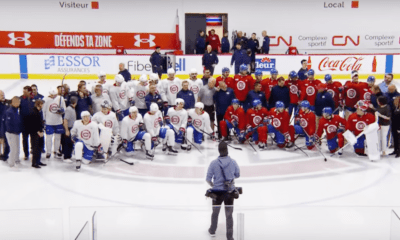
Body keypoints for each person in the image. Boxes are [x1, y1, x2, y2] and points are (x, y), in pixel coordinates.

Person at [206, 141, 240, 240]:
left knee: (215, 212)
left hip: (217, 192)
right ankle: (229, 236)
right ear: (227, 150)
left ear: (218, 151)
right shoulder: (233, 162)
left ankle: (212, 230)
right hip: (229, 192)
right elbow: (237, 175)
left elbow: (208, 179)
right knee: (229, 215)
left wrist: (214, 185)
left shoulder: (213, 163)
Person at [25, 99, 45, 168]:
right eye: (42, 104)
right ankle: (34, 163)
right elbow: (32, 124)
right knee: (35, 148)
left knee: (39, 147)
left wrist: (41, 130)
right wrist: (38, 131)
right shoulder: (33, 112)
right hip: (35, 133)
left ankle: (38, 161)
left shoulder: (39, 111)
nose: (43, 106)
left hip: (39, 132)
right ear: (38, 104)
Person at [5, 97, 22, 167]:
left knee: (17, 147)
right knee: (13, 148)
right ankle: (11, 163)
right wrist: (15, 131)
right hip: (11, 133)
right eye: (18, 102)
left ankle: (16, 159)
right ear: (14, 102)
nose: (19, 103)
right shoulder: (9, 111)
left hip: (16, 132)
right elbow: (8, 124)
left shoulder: (16, 110)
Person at [20, 86, 35, 160]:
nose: (24, 93)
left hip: (32, 124)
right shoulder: (20, 99)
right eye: (23, 91)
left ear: (29, 92)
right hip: (24, 123)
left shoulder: (34, 99)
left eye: (25, 91)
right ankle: (26, 154)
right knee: (25, 139)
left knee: (33, 139)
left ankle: (33, 151)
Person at [61, 96, 77, 163]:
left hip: (71, 128)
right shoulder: (69, 109)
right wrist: (67, 130)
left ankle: (69, 156)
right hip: (68, 128)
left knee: (70, 143)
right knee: (67, 143)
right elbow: (65, 120)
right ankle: (66, 157)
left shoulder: (72, 109)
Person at [0, 91, 11, 161]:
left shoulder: (7, 103)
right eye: (1, 95)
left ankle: (5, 154)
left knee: (6, 141)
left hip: (5, 125)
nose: (3, 96)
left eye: (3, 94)